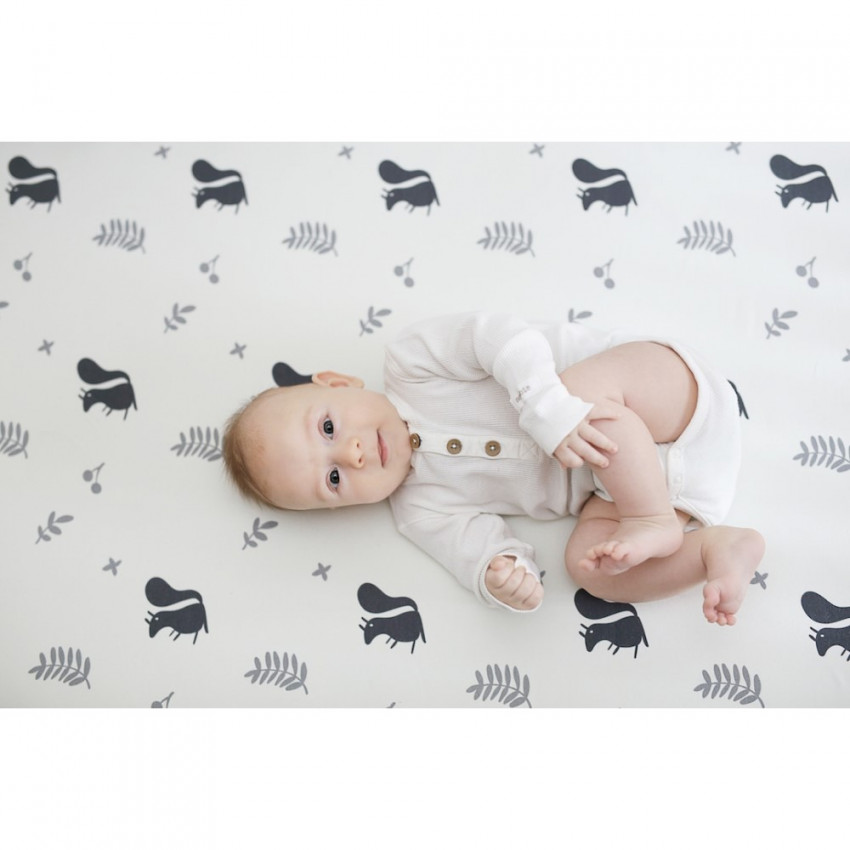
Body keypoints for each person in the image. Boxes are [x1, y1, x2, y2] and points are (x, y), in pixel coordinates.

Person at [222, 312, 764, 625]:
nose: (352, 455)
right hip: (655, 489)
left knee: (577, 391)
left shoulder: (411, 362)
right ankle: (713, 551)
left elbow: (500, 336)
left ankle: (650, 520)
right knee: (590, 568)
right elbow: (472, 549)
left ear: (338, 383)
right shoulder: (420, 510)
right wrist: (500, 572)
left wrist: (549, 409)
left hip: (667, 396)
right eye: (334, 479)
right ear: (341, 509)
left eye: (328, 428)